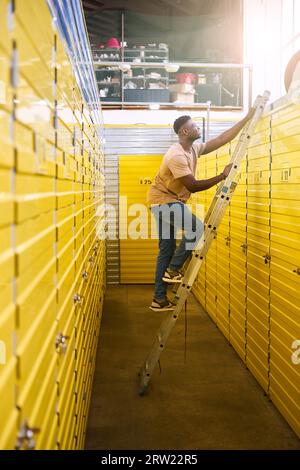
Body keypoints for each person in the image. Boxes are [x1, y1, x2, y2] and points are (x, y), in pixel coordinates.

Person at [147, 109, 255, 311]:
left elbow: (222, 139)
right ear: (185, 132)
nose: (199, 128)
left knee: (166, 249)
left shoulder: (193, 148)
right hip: (164, 200)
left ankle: (159, 298)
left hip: (165, 200)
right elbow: (193, 186)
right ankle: (173, 270)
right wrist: (222, 176)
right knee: (197, 229)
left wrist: (246, 118)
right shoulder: (176, 155)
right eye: (195, 126)